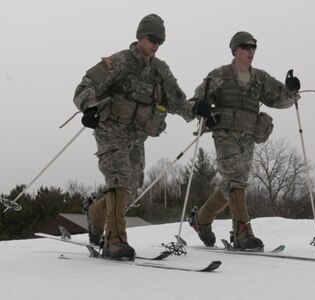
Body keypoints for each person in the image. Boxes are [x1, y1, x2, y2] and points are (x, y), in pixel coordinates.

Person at [73, 14, 211, 260]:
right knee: (121, 178)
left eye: (161, 41)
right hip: (110, 131)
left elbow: (178, 102)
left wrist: (195, 109)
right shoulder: (120, 62)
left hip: (136, 138)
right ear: (140, 37)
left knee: (131, 186)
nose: (156, 45)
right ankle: (114, 241)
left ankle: (95, 213)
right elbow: (86, 85)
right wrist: (89, 107)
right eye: (152, 39)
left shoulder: (161, 71)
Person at [189, 31, 301, 250]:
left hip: (248, 136)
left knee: (229, 185)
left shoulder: (260, 78)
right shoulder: (219, 75)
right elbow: (197, 100)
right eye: (246, 47)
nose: (251, 51)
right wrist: (200, 109)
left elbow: (279, 100)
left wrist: (291, 91)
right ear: (235, 50)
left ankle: (201, 220)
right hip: (224, 134)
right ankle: (242, 231)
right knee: (237, 178)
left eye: (254, 47)